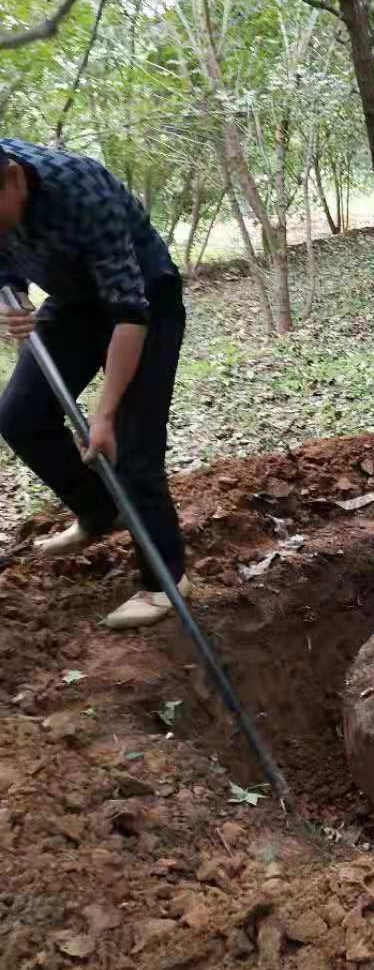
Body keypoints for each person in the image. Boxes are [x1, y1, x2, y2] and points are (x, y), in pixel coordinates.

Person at [0, 137, 188, 628]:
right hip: (74, 298)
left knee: (129, 443)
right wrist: (11, 296)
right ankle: (100, 512)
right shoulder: (5, 187)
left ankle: (165, 582)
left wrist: (103, 417)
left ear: (15, 178)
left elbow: (129, 312)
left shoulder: (80, 189)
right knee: (20, 416)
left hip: (144, 300)